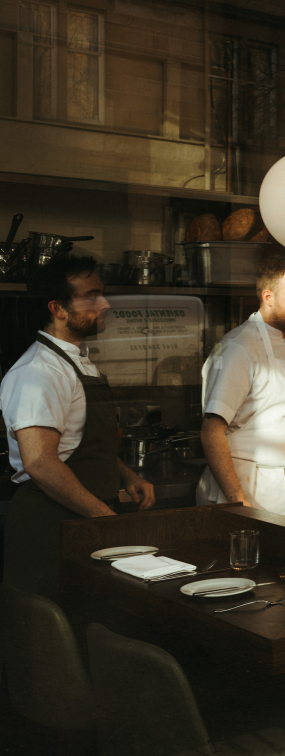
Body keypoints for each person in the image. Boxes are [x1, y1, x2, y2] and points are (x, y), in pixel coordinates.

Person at [1, 255, 155, 599]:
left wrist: (127, 475)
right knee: (53, 636)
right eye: (92, 296)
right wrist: (103, 517)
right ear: (58, 308)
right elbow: (40, 462)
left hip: (80, 518)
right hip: (50, 523)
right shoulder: (39, 372)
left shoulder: (76, 361)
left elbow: (79, 441)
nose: (105, 304)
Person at [196, 253, 285, 518]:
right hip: (242, 484)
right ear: (268, 297)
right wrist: (237, 500)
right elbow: (212, 431)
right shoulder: (239, 349)